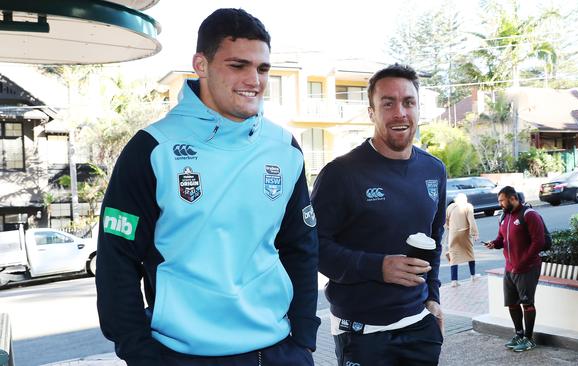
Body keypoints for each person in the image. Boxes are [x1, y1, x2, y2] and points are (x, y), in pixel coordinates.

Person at [95, 8, 320, 366]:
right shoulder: (153, 148)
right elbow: (116, 259)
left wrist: (304, 336)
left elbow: (301, 246)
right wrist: (139, 351)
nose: (254, 80)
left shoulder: (284, 148)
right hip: (181, 355)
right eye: (237, 65)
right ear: (201, 64)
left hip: (277, 351)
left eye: (262, 68)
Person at [311, 63, 446, 366]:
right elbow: (313, 248)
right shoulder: (340, 174)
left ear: (418, 109)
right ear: (371, 112)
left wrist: (433, 298)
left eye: (408, 102)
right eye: (388, 103)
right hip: (362, 334)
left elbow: (435, 239)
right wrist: (378, 267)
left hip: (420, 329)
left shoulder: (434, 170)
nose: (400, 113)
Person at [484, 186, 545, 352]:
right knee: (511, 303)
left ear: (512, 198)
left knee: (527, 303)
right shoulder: (504, 216)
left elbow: (538, 242)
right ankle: (519, 334)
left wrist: (524, 262)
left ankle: (529, 338)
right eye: (499, 201)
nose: (500, 204)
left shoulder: (529, 215)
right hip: (510, 268)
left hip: (527, 268)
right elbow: (501, 238)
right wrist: (494, 243)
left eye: (502, 200)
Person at [445, 193, 479, 287]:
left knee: (454, 254)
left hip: (453, 233)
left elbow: (446, 220)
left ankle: (454, 281)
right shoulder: (468, 206)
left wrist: (449, 227)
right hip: (465, 233)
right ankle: (473, 275)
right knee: (470, 253)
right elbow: (471, 220)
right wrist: (475, 234)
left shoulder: (450, 207)